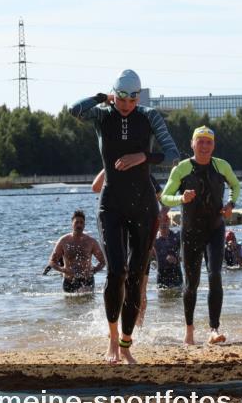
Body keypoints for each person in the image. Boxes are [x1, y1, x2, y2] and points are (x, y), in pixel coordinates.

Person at [70, 69, 180, 364]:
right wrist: (99, 98)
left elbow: (172, 154)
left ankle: (127, 343)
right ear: (114, 94)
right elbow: (74, 110)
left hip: (144, 206)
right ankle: (112, 341)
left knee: (135, 277)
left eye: (131, 99)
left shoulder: (149, 116)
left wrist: (142, 156)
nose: (126, 105)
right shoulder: (102, 115)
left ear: (138, 96)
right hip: (111, 205)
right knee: (116, 272)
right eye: (120, 98)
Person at [160, 126, 241, 346]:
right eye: (200, 142)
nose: (204, 146)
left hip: (215, 229)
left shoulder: (221, 165)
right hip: (191, 232)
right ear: (192, 144)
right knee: (191, 282)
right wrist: (181, 199)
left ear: (213, 145)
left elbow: (235, 185)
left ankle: (214, 329)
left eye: (208, 142)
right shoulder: (182, 169)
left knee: (215, 274)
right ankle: (189, 331)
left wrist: (231, 204)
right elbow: (165, 198)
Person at [48, 210, 105, 294]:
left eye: (81, 222)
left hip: (87, 281)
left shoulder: (91, 242)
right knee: (70, 306)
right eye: (76, 222)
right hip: (69, 281)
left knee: (87, 305)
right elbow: (52, 261)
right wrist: (63, 270)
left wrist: (94, 270)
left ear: (84, 225)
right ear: (72, 224)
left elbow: (103, 261)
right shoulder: (64, 241)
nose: (79, 225)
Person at [152, 209, 183, 290]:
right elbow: (150, 259)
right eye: (161, 221)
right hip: (161, 278)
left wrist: (178, 258)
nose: (163, 223)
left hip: (176, 276)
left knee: (177, 300)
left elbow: (188, 250)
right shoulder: (154, 241)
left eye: (165, 221)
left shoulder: (177, 237)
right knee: (162, 301)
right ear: (158, 224)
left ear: (169, 222)